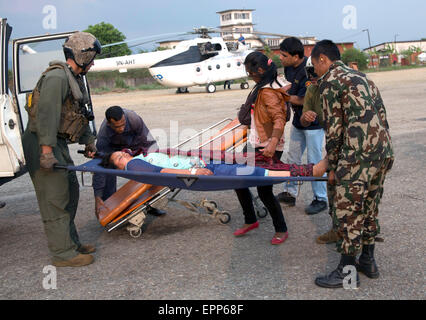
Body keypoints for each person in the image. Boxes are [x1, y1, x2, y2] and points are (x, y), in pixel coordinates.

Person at [310, 40, 394, 288]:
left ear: (323, 59)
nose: (314, 70)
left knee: (348, 214)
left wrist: (332, 166)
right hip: (382, 153)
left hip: (355, 158)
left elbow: (334, 131)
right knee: (369, 208)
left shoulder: (330, 83)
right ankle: (368, 261)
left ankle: (347, 272)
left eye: (314, 64)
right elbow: (383, 117)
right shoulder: (363, 77)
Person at [21, 32, 101, 267]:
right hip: (42, 143)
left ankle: (70, 243)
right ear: (81, 55)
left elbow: (76, 115)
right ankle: (62, 254)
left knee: (69, 192)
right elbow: (46, 116)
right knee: (54, 198)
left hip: (57, 143)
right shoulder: (57, 78)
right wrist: (46, 152)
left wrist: (88, 142)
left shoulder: (73, 78)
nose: (93, 62)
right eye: (92, 57)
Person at [236, 51, 291, 245]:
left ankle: (281, 228)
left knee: (264, 191)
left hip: (268, 146)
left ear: (259, 70)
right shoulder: (263, 86)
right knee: (238, 181)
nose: (249, 76)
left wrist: (273, 144)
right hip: (254, 142)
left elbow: (279, 118)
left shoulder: (268, 91)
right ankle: (251, 220)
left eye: (250, 72)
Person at [277, 37, 328, 215]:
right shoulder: (289, 68)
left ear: (296, 56)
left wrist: (280, 96)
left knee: (314, 162)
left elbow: (303, 99)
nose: (280, 58)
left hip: (313, 124)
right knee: (293, 157)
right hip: (299, 122)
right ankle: (290, 192)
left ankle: (320, 198)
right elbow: (291, 89)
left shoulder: (309, 70)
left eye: (284, 55)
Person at [92, 106, 166, 218]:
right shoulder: (104, 136)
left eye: (123, 124)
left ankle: (149, 204)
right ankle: (110, 210)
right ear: (109, 124)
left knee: (147, 170)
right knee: (107, 172)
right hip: (114, 149)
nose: (121, 129)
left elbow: (149, 143)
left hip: (136, 145)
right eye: (117, 127)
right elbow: (99, 167)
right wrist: (97, 197)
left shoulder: (133, 119)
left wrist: (155, 162)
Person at [299, 57, 339, 244]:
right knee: (334, 190)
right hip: (335, 145)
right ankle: (337, 229)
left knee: (352, 196)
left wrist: (326, 162)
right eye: (310, 72)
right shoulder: (313, 90)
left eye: (314, 70)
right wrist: (306, 117)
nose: (312, 75)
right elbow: (303, 122)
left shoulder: (339, 88)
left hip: (352, 148)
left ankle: (358, 249)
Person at [103, 150, 328, 178]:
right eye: (119, 158)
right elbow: (162, 171)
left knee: (256, 161)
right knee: (254, 171)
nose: (123, 154)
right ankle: (309, 172)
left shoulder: (139, 158)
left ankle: (308, 170)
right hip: (205, 169)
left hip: (203, 162)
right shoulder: (134, 167)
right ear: (120, 167)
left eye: (121, 152)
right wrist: (193, 171)